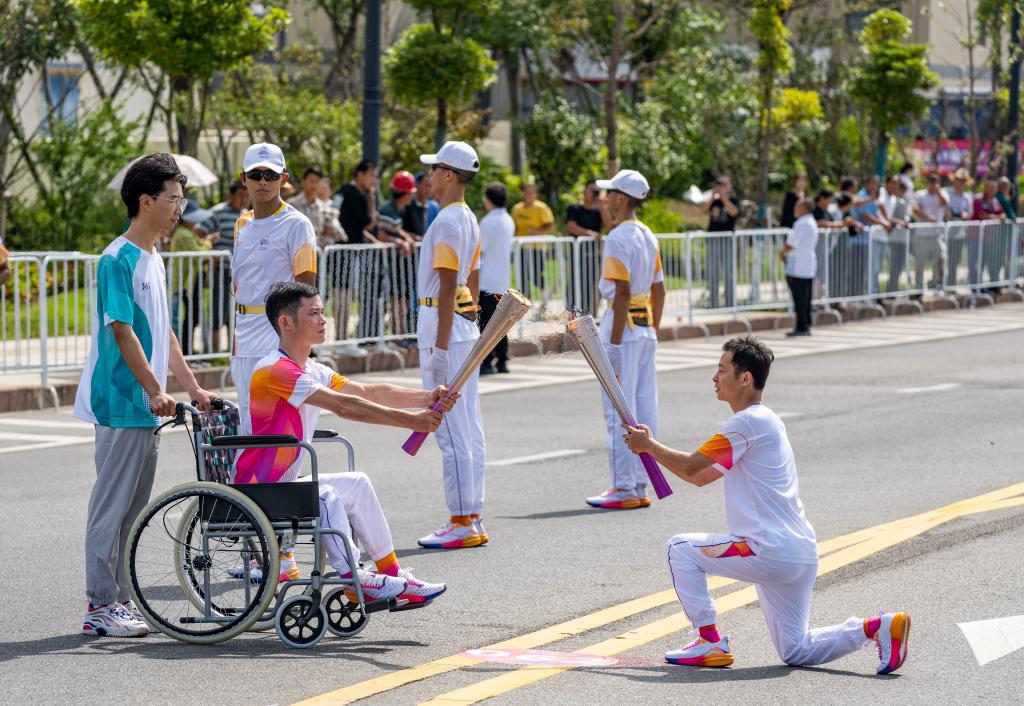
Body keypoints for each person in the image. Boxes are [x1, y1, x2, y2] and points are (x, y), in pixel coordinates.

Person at [621, 336, 910, 675]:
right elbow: (700, 477)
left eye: (721, 370)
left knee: (679, 549)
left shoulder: (745, 424)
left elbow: (690, 468)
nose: (714, 378)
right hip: (799, 553)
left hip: (766, 550)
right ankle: (876, 627)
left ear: (745, 379)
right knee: (795, 649)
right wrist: (649, 447)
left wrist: (649, 445)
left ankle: (708, 639)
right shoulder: (765, 421)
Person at [231, 281, 450, 603]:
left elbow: (366, 393)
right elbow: (344, 406)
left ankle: (391, 574)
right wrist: (412, 421)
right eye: (314, 313)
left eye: (323, 312)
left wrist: (427, 397)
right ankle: (353, 578)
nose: (323, 320)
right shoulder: (274, 370)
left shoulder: (312, 369)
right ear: (286, 322)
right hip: (260, 487)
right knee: (326, 495)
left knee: (357, 483)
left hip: (283, 484)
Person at [74, 153, 216, 638]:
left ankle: (120, 600)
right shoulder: (119, 257)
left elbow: (164, 332)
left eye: (182, 199)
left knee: (133, 508)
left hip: (147, 404)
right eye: (174, 200)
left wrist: (191, 387)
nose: (181, 209)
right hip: (120, 400)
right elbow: (123, 331)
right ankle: (99, 603)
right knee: (111, 506)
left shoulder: (154, 257)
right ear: (146, 201)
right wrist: (154, 390)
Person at [414, 140, 488, 549]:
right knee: (469, 426)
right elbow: (471, 281)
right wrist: (466, 324)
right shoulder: (467, 217)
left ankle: (462, 519)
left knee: (452, 429)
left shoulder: (446, 221)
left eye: (432, 170)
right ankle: (471, 513)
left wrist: (441, 349)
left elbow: (446, 286)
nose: (428, 177)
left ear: (447, 174)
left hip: (443, 326)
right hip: (461, 326)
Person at [585, 169, 665, 510]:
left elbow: (619, 293)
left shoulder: (618, 237)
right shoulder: (648, 235)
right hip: (644, 327)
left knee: (618, 410)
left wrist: (614, 347)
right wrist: (653, 329)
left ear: (620, 198)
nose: (604, 201)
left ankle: (624, 486)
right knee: (644, 408)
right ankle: (639, 482)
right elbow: (659, 289)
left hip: (623, 329)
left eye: (608, 194)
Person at [231, 142, 318, 435]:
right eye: (255, 175)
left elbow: (306, 288)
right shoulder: (241, 223)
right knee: (247, 422)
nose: (263, 182)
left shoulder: (297, 224)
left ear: (284, 178)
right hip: (243, 338)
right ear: (244, 179)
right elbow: (240, 285)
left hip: (276, 335)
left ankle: (278, 481)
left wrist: (299, 343)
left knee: (276, 424)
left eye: (271, 175)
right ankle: (246, 482)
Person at [334, 160, 380, 352]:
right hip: (347, 252)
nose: (373, 180)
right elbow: (369, 223)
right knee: (343, 295)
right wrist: (371, 199)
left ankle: (341, 339)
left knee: (342, 294)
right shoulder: (358, 196)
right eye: (371, 175)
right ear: (359, 174)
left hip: (338, 251)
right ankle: (341, 340)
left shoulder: (341, 192)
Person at [204, 179, 248, 352]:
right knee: (217, 309)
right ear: (231, 194)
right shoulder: (218, 212)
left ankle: (233, 349)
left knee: (237, 311)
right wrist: (210, 253)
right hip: (220, 270)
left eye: (247, 195)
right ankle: (215, 351)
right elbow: (199, 233)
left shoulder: (249, 215)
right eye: (240, 195)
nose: (244, 199)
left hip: (241, 274)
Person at [169, 200, 216, 357]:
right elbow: (199, 253)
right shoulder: (183, 234)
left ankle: (187, 351)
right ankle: (186, 352)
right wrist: (209, 242)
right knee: (190, 318)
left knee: (192, 317)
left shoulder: (187, 233)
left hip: (190, 283)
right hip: (185, 284)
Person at [478, 182, 515, 375]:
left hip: (487, 280)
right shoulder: (508, 219)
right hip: (502, 280)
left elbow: (479, 250)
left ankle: (486, 361)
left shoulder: (487, 222)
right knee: (500, 322)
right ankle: (502, 360)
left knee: (485, 323)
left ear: (489, 199)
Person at [377, 170, 418, 337]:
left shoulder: (399, 209)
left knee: (404, 300)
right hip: (389, 265)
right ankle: (394, 337)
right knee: (396, 300)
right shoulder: (388, 209)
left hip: (400, 265)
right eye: (410, 193)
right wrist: (400, 242)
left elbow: (398, 230)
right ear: (403, 194)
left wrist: (410, 237)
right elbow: (382, 234)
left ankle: (398, 335)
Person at [565, 180, 608, 315]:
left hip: (594, 255)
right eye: (592, 190)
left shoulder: (599, 210)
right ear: (584, 191)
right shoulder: (574, 208)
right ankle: (571, 316)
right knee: (574, 284)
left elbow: (608, 226)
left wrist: (602, 206)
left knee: (593, 286)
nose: (594, 194)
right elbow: (571, 226)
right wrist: (590, 234)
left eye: (596, 191)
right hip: (577, 255)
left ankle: (590, 316)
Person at [511, 183, 555, 297]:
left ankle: (546, 292)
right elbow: (514, 226)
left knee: (536, 275)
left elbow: (550, 224)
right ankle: (526, 300)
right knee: (523, 276)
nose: (528, 195)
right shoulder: (517, 208)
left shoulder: (541, 207)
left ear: (536, 194)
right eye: (526, 192)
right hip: (521, 247)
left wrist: (538, 231)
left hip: (537, 247)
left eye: (531, 192)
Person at [780, 198, 817, 336]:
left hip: (797, 267)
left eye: (797, 206)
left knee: (800, 299)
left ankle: (801, 326)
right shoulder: (810, 222)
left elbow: (791, 244)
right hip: (807, 265)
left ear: (804, 208)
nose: (795, 208)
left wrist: (782, 252)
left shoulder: (802, 223)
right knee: (805, 298)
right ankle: (805, 325)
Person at [703, 176, 739, 309]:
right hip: (713, 240)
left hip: (727, 241)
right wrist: (713, 196)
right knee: (713, 272)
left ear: (729, 186)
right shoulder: (714, 201)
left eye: (724, 184)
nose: (721, 187)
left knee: (729, 272)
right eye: (719, 184)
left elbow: (734, 212)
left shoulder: (734, 200)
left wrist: (723, 197)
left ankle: (730, 303)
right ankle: (713, 303)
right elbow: (704, 210)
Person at [910, 174, 949, 291]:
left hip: (937, 234)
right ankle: (918, 289)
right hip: (922, 235)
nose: (932, 185)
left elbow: (945, 203)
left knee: (941, 257)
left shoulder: (942, 194)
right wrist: (927, 217)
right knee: (920, 263)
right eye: (930, 182)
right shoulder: (920, 194)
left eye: (935, 182)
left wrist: (938, 192)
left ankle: (934, 283)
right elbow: (914, 208)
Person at [944, 168, 973, 287]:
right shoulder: (946, 192)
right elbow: (943, 208)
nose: (960, 182)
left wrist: (965, 215)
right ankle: (938, 283)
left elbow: (969, 213)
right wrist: (948, 213)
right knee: (941, 259)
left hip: (959, 233)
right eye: (958, 179)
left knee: (954, 260)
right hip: (944, 232)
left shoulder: (967, 196)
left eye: (963, 180)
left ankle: (951, 284)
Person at [403, 172, 441, 239]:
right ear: (417, 185)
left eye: (431, 186)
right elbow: (400, 229)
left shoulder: (434, 207)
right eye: (426, 185)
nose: (429, 189)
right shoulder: (407, 205)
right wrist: (415, 237)